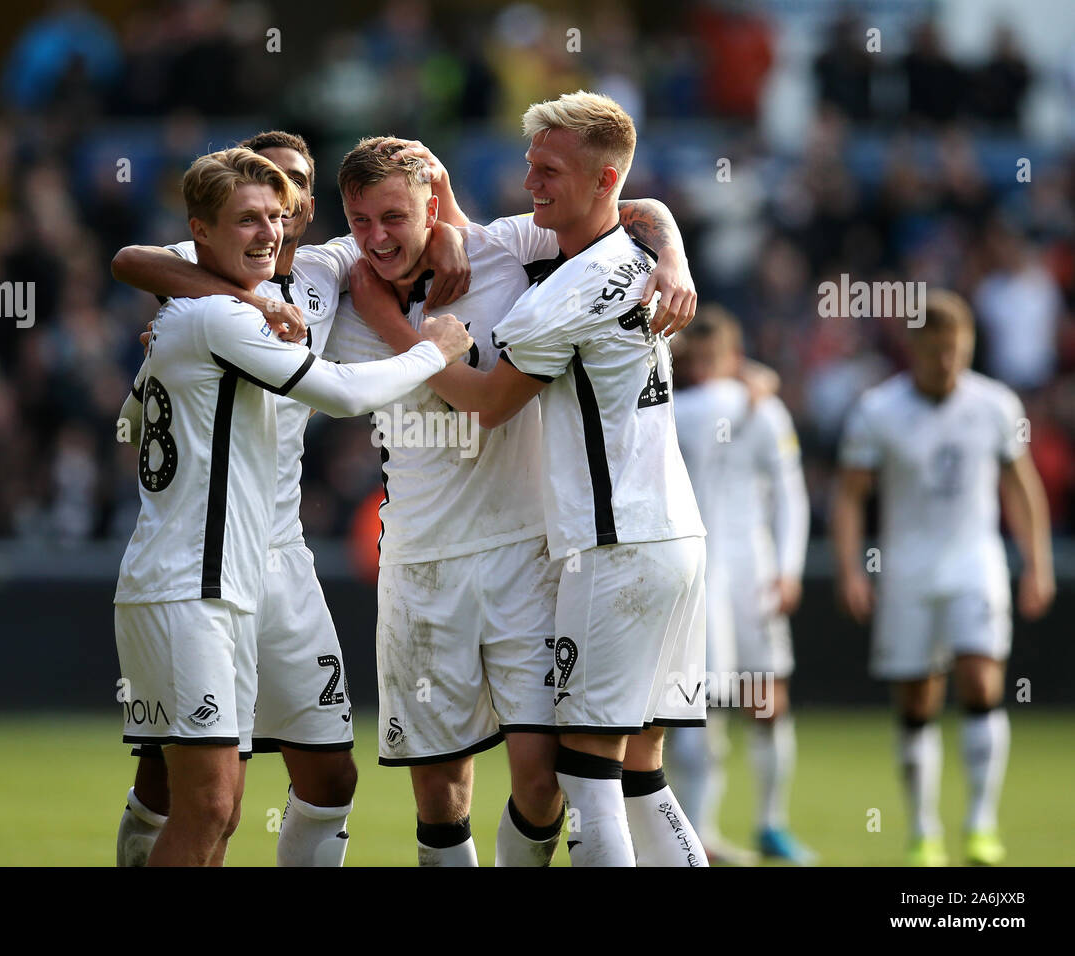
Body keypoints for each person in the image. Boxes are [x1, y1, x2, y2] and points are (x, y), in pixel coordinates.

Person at [352, 91, 707, 866]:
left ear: (602, 178)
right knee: (638, 770)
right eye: (529, 167)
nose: (530, 184)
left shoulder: (556, 295)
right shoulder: (631, 256)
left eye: (547, 171)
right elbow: (644, 208)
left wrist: (403, 334)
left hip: (610, 545)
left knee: (586, 774)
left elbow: (487, 405)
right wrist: (674, 253)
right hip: (672, 533)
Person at [111, 131, 471, 867]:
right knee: (199, 795)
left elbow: (415, 224)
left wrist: (455, 231)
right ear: (207, 227)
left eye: (291, 192)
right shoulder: (206, 296)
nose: (278, 210)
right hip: (197, 568)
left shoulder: (319, 266)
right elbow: (128, 260)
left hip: (264, 560)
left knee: (303, 778)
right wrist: (433, 348)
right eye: (257, 200)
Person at [832, 289, 1054, 866]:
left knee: (982, 681)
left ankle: (981, 824)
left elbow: (1021, 485)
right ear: (914, 348)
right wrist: (852, 567)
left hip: (975, 563)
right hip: (905, 569)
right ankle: (924, 830)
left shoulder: (997, 405)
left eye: (955, 350)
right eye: (934, 351)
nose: (945, 361)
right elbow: (851, 495)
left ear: (970, 346)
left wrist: (1038, 563)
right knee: (917, 697)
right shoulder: (879, 410)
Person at [669, 305, 814, 865]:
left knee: (761, 700)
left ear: (731, 358)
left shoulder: (757, 411)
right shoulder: (745, 406)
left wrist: (787, 568)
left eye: (714, 358)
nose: (705, 369)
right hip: (699, 574)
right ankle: (699, 832)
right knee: (703, 705)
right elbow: (793, 494)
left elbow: (788, 495)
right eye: (696, 359)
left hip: (750, 575)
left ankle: (766, 823)